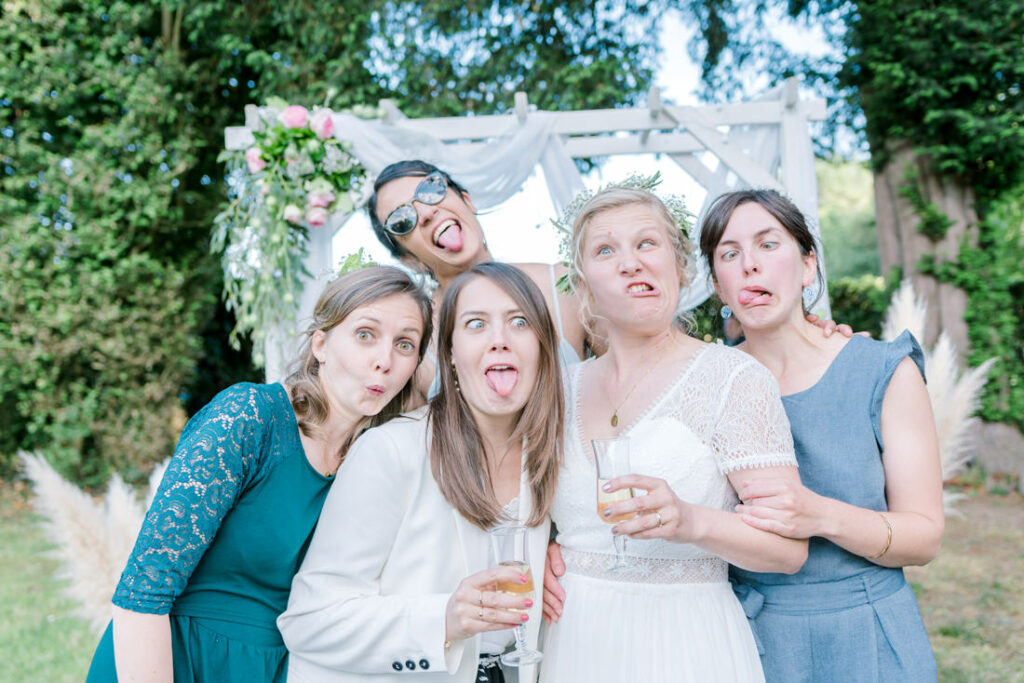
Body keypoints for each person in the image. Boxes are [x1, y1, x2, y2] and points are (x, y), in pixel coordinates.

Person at [85, 266, 433, 682]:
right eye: (365, 334)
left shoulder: (376, 459)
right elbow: (144, 593)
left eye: (405, 345)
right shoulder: (250, 418)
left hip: (277, 669)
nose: (384, 361)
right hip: (173, 659)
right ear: (320, 343)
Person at [536, 186, 808, 682]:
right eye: (605, 250)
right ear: (583, 285)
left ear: (681, 267)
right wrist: (544, 554)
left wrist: (690, 521)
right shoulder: (558, 390)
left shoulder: (732, 378)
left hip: (686, 642)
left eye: (647, 244)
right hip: (574, 640)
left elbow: (789, 552)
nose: (630, 263)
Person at [278, 261, 563, 683]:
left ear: (542, 346)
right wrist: (443, 620)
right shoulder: (392, 451)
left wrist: (561, 549)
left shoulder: (549, 456)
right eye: (476, 324)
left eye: (519, 322)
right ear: (449, 353)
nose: (500, 340)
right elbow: (310, 620)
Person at [699, 189, 942, 681]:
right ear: (719, 287)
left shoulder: (881, 370)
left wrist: (820, 514)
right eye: (729, 253)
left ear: (808, 266)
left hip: (867, 633)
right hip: (748, 640)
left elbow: (924, 537)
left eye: (769, 244)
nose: (749, 265)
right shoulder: (703, 382)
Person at [368, 160, 588, 403]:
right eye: (401, 220)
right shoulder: (414, 339)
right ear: (409, 260)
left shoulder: (562, 285)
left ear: (467, 201)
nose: (427, 213)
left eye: (431, 190)